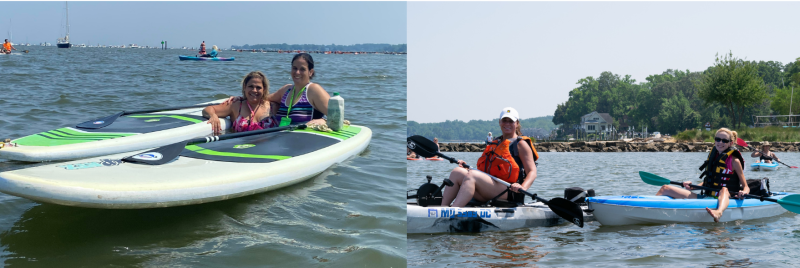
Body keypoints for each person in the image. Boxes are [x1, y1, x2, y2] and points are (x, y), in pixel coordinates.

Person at [441, 107, 539, 207]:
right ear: (500, 122)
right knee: (457, 172)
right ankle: (442, 209)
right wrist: (467, 167)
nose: (507, 124)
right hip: (490, 187)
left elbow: (532, 172)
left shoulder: (521, 145)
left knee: (473, 175)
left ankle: (453, 211)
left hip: (509, 191)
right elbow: (486, 169)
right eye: (504, 121)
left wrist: (522, 187)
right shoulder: (495, 143)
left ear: (517, 123)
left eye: (511, 121)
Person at [656, 128, 749, 222]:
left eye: (724, 140)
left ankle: (719, 212)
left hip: (725, 199)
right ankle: (651, 209)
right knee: (665, 188)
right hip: (706, 197)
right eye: (718, 139)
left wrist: (744, 192)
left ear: (731, 143)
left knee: (723, 189)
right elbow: (708, 182)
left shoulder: (734, 161)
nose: (720, 142)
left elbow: (746, 187)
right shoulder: (713, 158)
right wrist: (692, 187)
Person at [224, 53, 329, 126]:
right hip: (281, 140)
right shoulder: (286, 90)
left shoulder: (313, 90)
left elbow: (338, 117)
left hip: (304, 141)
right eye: (294, 68)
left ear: (310, 72)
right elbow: (262, 98)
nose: (297, 72)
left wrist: (323, 121)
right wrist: (242, 98)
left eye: (302, 69)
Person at [203, 71, 276, 135]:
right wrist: (213, 115)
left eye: (258, 87)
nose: (254, 90)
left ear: (264, 89)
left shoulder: (272, 106)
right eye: (251, 86)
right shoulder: (236, 105)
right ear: (244, 87)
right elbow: (208, 109)